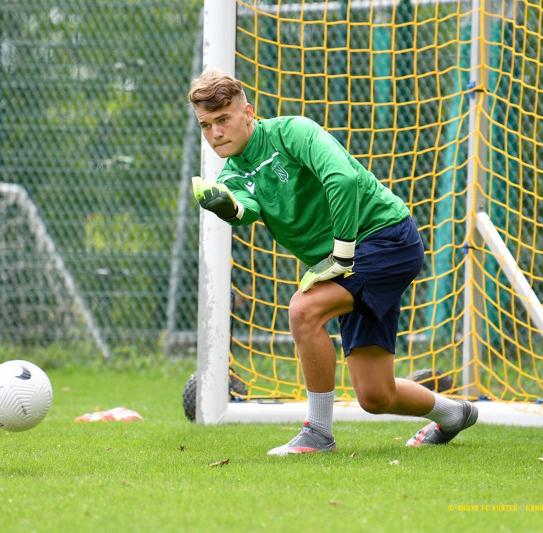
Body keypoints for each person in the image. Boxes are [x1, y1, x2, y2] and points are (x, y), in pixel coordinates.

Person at [188, 70, 477, 454]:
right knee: (376, 396)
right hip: (352, 261)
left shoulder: (293, 132)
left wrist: (341, 255)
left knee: (303, 310)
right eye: (206, 125)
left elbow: (342, 179)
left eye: (223, 119)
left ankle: (318, 433)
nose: (215, 133)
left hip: (386, 236)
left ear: (248, 113)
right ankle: (455, 414)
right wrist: (229, 207)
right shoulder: (232, 174)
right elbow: (247, 209)